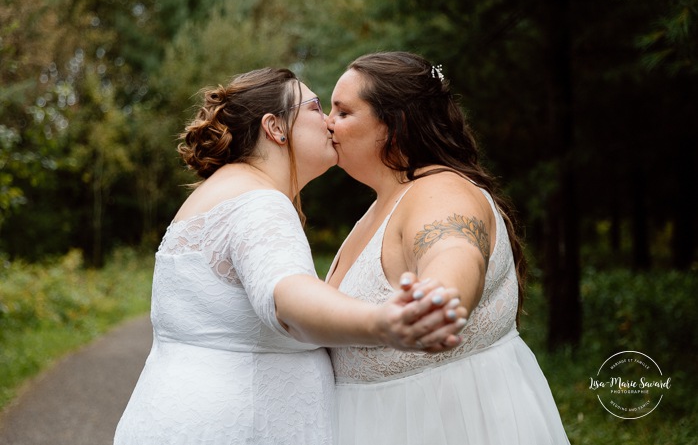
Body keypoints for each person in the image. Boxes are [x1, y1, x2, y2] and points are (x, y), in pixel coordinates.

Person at [113, 67, 467, 445]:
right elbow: (287, 295)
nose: (330, 122)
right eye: (316, 107)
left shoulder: (216, 195)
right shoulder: (260, 203)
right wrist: (380, 323)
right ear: (276, 128)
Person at [325, 52, 570, 444]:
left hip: (444, 422)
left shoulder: (441, 191)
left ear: (394, 124)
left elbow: (454, 248)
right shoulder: (382, 204)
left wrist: (441, 298)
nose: (327, 123)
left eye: (343, 112)